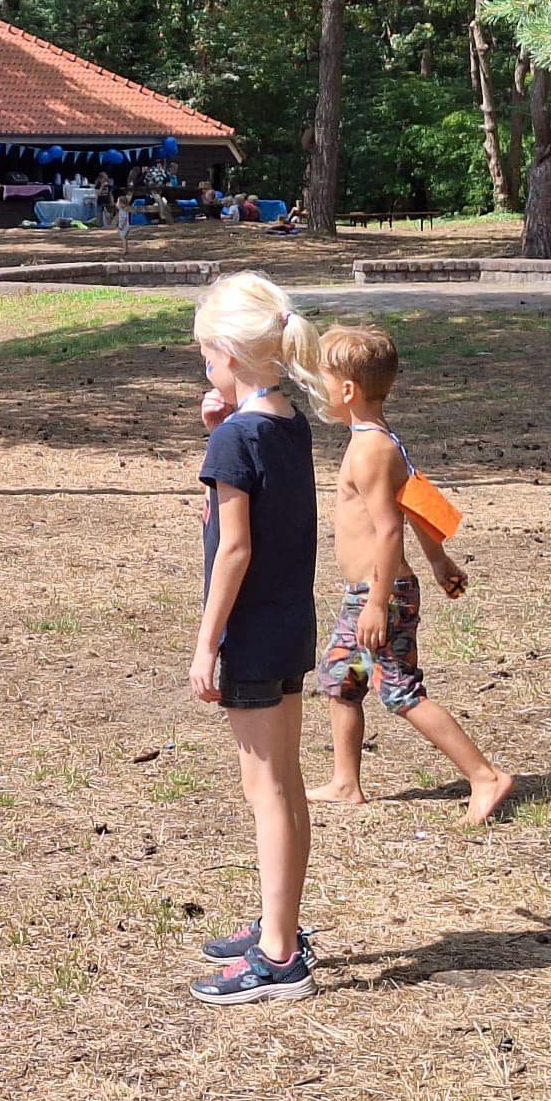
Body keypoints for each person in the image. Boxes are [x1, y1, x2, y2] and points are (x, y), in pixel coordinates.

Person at [306, 325, 515, 826]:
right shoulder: (378, 440)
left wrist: (377, 603)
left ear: (348, 390)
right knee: (340, 679)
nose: (318, 389)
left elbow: (388, 529)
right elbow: (416, 502)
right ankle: (345, 782)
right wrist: (439, 560)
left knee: (399, 691)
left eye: (323, 380)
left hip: (381, 595)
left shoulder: (370, 451)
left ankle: (485, 776)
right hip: (365, 593)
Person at [187, 272, 328, 1005]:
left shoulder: (235, 440)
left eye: (207, 358)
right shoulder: (286, 421)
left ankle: (278, 956)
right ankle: (280, 924)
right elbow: (248, 521)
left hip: (249, 629)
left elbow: (232, 548)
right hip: (289, 622)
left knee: (265, 789)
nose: (205, 370)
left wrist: (206, 643)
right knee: (285, 783)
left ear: (230, 356)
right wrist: (218, 429)